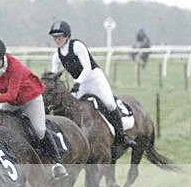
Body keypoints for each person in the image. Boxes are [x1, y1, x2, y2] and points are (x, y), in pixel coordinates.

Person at [0, 37, 67, 180]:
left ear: (3, 57)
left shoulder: (15, 66)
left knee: (39, 130)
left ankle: (57, 163)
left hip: (31, 100)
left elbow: (11, 94)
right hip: (12, 102)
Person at [49, 20, 135, 148]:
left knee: (110, 104)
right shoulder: (56, 56)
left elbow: (87, 67)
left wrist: (77, 83)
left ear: (67, 36)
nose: (57, 40)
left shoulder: (77, 45)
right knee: (72, 108)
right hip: (80, 83)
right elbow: (53, 77)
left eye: (59, 36)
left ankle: (121, 136)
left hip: (94, 78)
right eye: (55, 37)